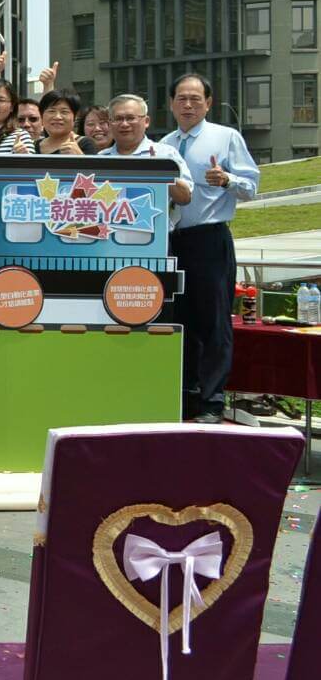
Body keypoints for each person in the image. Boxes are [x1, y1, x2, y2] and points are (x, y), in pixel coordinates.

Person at [160, 74, 259, 423]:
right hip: (172, 241)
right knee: (179, 320)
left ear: (208, 103)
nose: (188, 105)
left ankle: (212, 401)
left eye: (195, 99)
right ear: (171, 103)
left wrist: (227, 180)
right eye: (181, 98)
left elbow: (252, 186)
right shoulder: (164, 145)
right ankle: (186, 396)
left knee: (214, 322)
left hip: (210, 239)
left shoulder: (225, 137)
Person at [98, 95, 193, 206]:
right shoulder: (101, 158)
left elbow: (185, 198)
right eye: (118, 119)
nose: (124, 124)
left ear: (146, 121)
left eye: (130, 118)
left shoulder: (165, 154)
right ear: (110, 124)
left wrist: (161, 171)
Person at [36, 89, 95, 154]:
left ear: (75, 117)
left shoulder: (85, 144)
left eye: (64, 112)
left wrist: (80, 156)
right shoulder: (34, 146)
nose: (57, 117)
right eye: (51, 111)